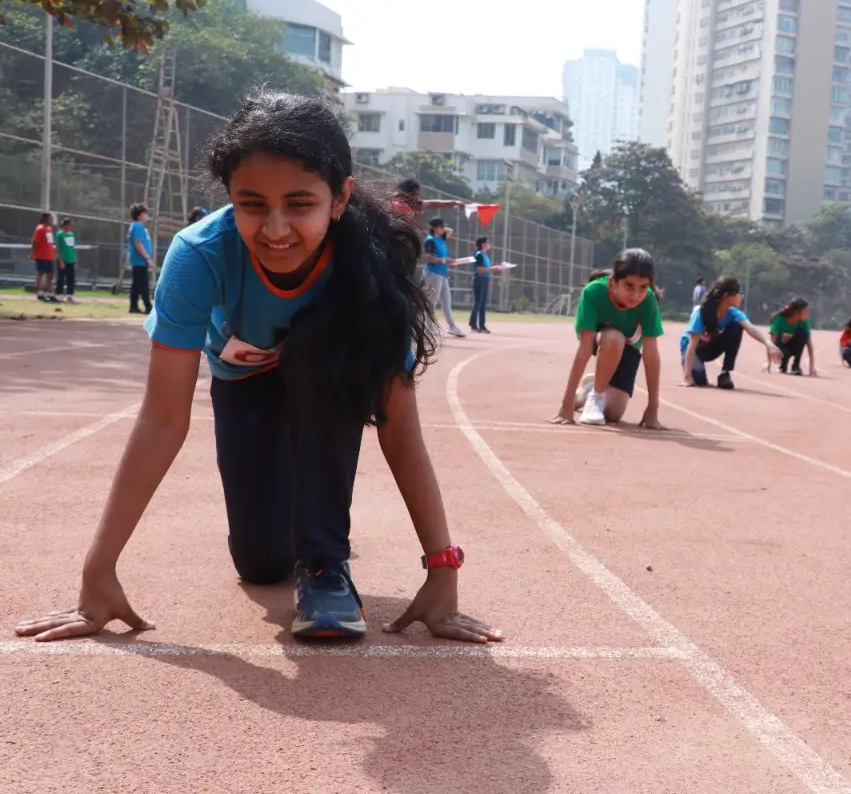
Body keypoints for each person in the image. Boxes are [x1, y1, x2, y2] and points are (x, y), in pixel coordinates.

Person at [14, 91, 501, 645]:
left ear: (339, 198)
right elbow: (162, 418)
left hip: (326, 376)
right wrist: (97, 571)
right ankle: (297, 530)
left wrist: (443, 569)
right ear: (230, 199)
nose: (275, 229)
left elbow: (399, 427)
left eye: (299, 204)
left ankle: (325, 564)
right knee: (262, 563)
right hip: (240, 377)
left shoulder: (369, 265)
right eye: (252, 204)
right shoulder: (200, 255)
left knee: (318, 351)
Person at [548, 249, 666, 429]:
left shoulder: (649, 300)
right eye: (628, 286)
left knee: (613, 413)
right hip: (601, 339)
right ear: (613, 283)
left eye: (643, 287)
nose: (635, 295)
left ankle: (588, 391)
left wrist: (652, 408)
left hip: (629, 347)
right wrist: (566, 405)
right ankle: (595, 396)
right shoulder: (593, 292)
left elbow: (651, 356)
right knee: (614, 338)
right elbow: (584, 349)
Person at [680, 276, 782, 390]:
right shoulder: (701, 312)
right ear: (726, 296)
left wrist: (769, 344)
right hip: (693, 351)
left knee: (736, 326)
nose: (741, 296)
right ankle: (694, 371)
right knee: (699, 381)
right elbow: (691, 345)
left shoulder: (733, 313)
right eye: (739, 293)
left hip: (710, 347)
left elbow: (751, 328)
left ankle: (725, 373)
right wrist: (687, 377)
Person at [422, 218, 467, 338]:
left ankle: (452, 326)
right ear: (435, 228)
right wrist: (444, 260)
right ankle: (429, 327)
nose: (443, 229)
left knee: (447, 300)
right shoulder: (430, 240)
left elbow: (450, 230)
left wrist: (440, 228)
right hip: (433, 273)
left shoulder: (440, 238)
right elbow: (428, 257)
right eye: (440, 227)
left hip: (442, 273)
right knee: (433, 301)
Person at [769, 298, 816, 376]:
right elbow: (771, 343)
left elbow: (809, 344)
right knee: (784, 353)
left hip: (792, 346)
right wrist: (768, 363)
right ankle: (783, 366)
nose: (808, 313)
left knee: (803, 333)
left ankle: (796, 366)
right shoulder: (779, 319)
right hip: (779, 348)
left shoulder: (804, 322)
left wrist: (812, 367)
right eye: (806, 311)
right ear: (797, 312)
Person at [469, 235, 506, 333]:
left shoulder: (484, 255)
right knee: (478, 303)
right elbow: (479, 269)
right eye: (487, 242)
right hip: (479, 279)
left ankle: (482, 325)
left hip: (485, 279)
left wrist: (497, 268)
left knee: (483, 304)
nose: (489, 244)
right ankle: (473, 325)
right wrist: (494, 269)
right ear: (483, 244)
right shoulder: (479, 254)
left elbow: (486, 269)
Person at [392, 178, 463, 227]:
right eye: (415, 194)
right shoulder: (396, 205)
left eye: (418, 195)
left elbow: (434, 204)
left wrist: (455, 204)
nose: (417, 198)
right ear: (408, 194)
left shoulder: (415, 204)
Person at [127, 203, 154, 315]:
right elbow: (138, 243)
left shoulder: (140, 226)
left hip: (140, 261)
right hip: (139, 261)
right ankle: (148, 306)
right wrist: (147, 257)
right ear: (139, 215)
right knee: (143, 284)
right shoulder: (137, 226)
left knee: (137, 285)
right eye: (145, 213)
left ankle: (133, 306)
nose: (147, 215)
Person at [30, 212, 57, 302]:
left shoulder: (49, 229)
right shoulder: (39, 229)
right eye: (51, 218)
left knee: (50, 275)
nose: (52, 220)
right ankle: (40, 293)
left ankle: (50, 294)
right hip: (41, 255)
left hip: (49, 256)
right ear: (46, 219)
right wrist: (32, 253)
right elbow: (35, 242)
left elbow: (50, 242)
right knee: (40, 274)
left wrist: (54, 250)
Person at [54, 217, 78, 304]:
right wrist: (61, 261)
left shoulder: (71, 234)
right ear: (64, 225)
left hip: (70, 260)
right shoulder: (59, 234)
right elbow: (58, 248)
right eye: (69, 225)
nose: (70, 227)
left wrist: (75, 259)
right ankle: (59, 294)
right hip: (63, 260)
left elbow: (73, 248)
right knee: (61, 278)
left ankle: (70, 295)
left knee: (71, 278)